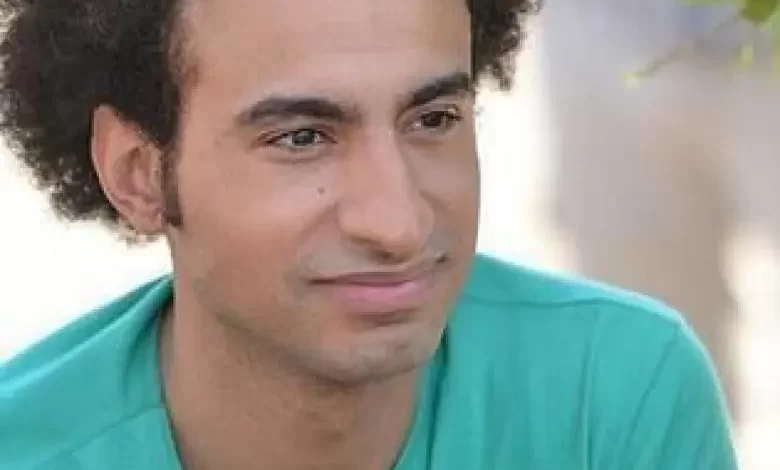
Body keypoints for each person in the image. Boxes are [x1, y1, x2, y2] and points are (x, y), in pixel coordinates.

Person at [0, 1, 737, 469]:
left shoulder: (614, 396)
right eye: (301, 138)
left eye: (433, 120)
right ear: (137, 174)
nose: (399, 224)